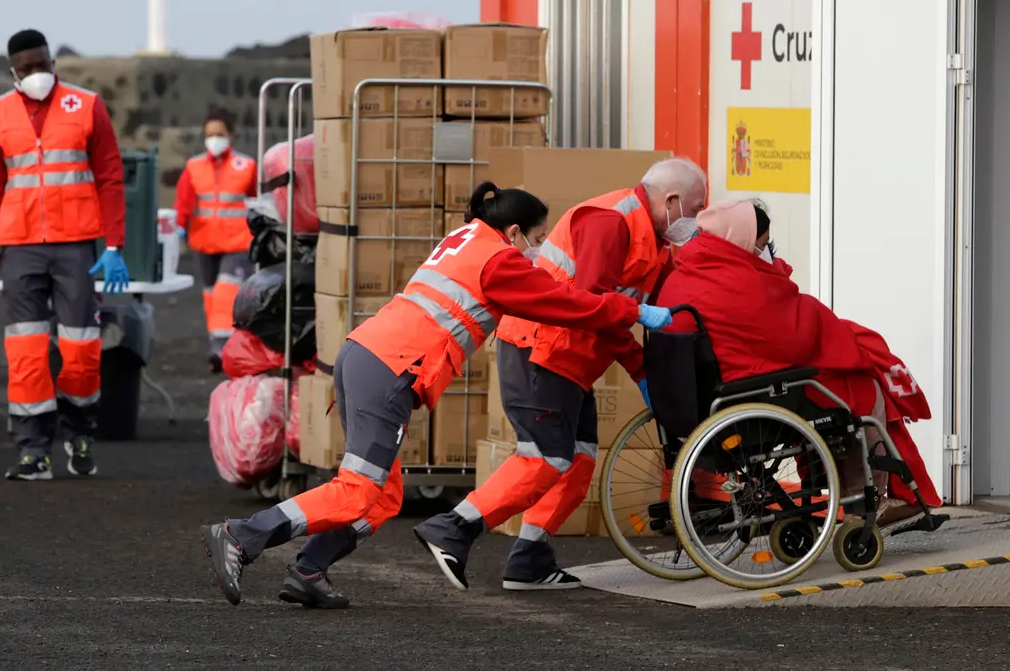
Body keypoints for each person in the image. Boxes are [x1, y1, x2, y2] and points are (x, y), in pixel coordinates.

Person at [200, 182, 676, 608]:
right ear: (514, 232)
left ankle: (308, 570)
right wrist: (631, 309)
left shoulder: (463, 239)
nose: (538, 248)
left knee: (382, 496)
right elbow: (567, 302)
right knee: (359, 489)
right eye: (536, 238)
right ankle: (242, 537)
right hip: (389, 368)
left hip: (367, 355)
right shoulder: (501, 261)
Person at [414, 157, 707, 591]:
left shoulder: (651, 238)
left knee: (580, 459)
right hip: (542, 350)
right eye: (696, 209)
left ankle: (530, 558)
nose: (696, 220)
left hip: (567, 360)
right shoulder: (611, 223)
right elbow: (593, 306)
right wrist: (640, 368)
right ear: (673, 200)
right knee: (546, 457)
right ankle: (454, 526)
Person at [654, 198, 942, 528]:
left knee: (846, 379)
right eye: (760, 244)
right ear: (741, 237)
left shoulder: (690, 271)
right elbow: (794, 337)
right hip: (751, 391)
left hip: (707, 396)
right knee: (864, 388)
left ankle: (854, 495)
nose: (762, 252)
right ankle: (868, 502)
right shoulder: (738, 281)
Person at [0, 29, 130, 481]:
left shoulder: (87, 105)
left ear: (52, 62)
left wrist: (115, 245)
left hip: (76, 246)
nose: (37, 74)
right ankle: (32, 450)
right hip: (19, 249)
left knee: (81, 349)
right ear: (13, 72)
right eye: (27, 69)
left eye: (43, 64)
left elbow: (110, 178)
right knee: (26, 351)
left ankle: (80, 433)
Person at [173, 108, 258, 373]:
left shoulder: (247, 166)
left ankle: (223, 350)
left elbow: (257, 202)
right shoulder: (194, 167)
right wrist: (177, 228)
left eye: (219, 133)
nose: (214, 138)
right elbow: (184, 203)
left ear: (231, 135)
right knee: (211, 297)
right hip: (205, 243)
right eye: (210, 134)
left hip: (238, 243)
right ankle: (218, 346)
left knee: (225, 294)